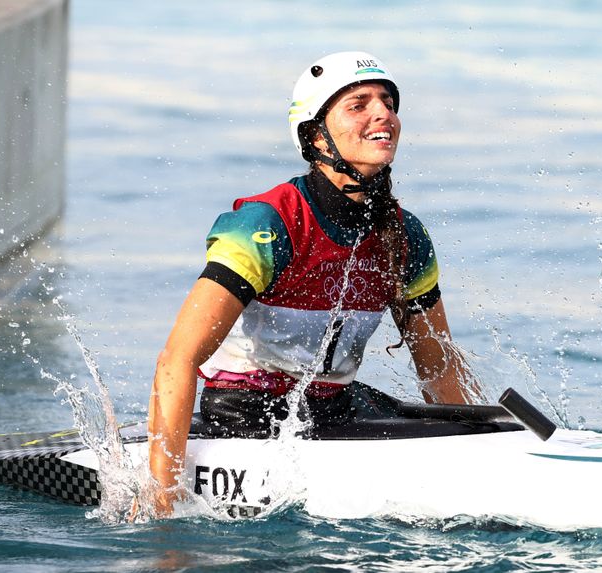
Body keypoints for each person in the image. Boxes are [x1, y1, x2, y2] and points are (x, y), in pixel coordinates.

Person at [147, 51, 482, 516]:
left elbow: (439, 369)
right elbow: (176, 361)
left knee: (466, 423)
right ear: (314, 134)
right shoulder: (267, 224)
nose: (384, 113)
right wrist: (161, 510)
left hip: (333, 406)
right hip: (245, 414)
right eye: (358, 104)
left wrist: (481, 448)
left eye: (387, 101)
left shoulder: (404, 237)